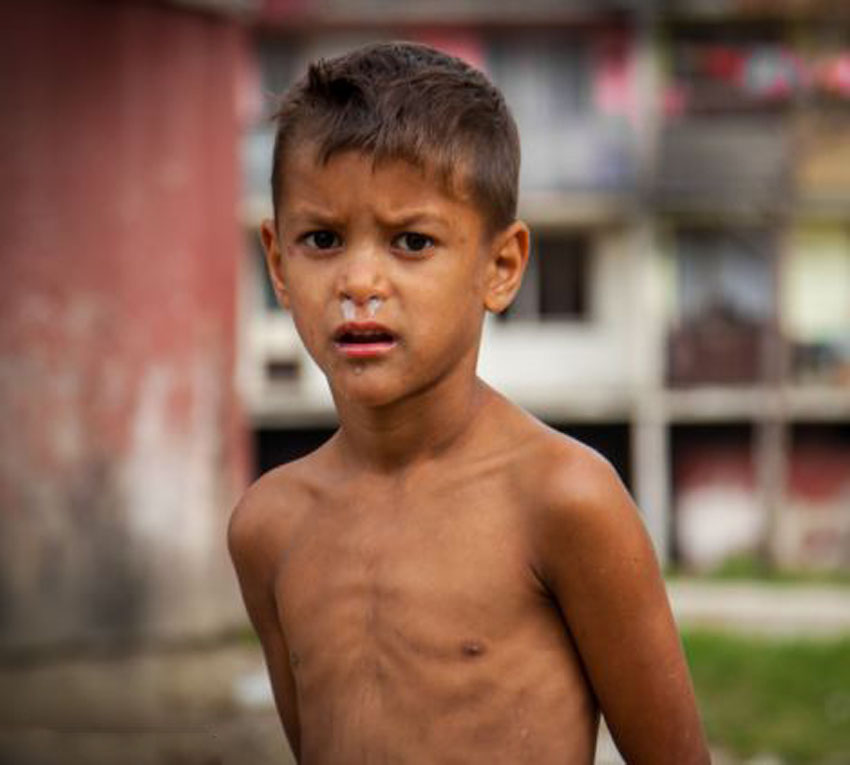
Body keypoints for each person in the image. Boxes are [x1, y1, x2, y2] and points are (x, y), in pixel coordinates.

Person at [228, 41, 710, 764]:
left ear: (501, 265)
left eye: (411, 241)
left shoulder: (563, 500)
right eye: (322, 238)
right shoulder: (268, 526)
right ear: (278, 264)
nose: (360, 280)